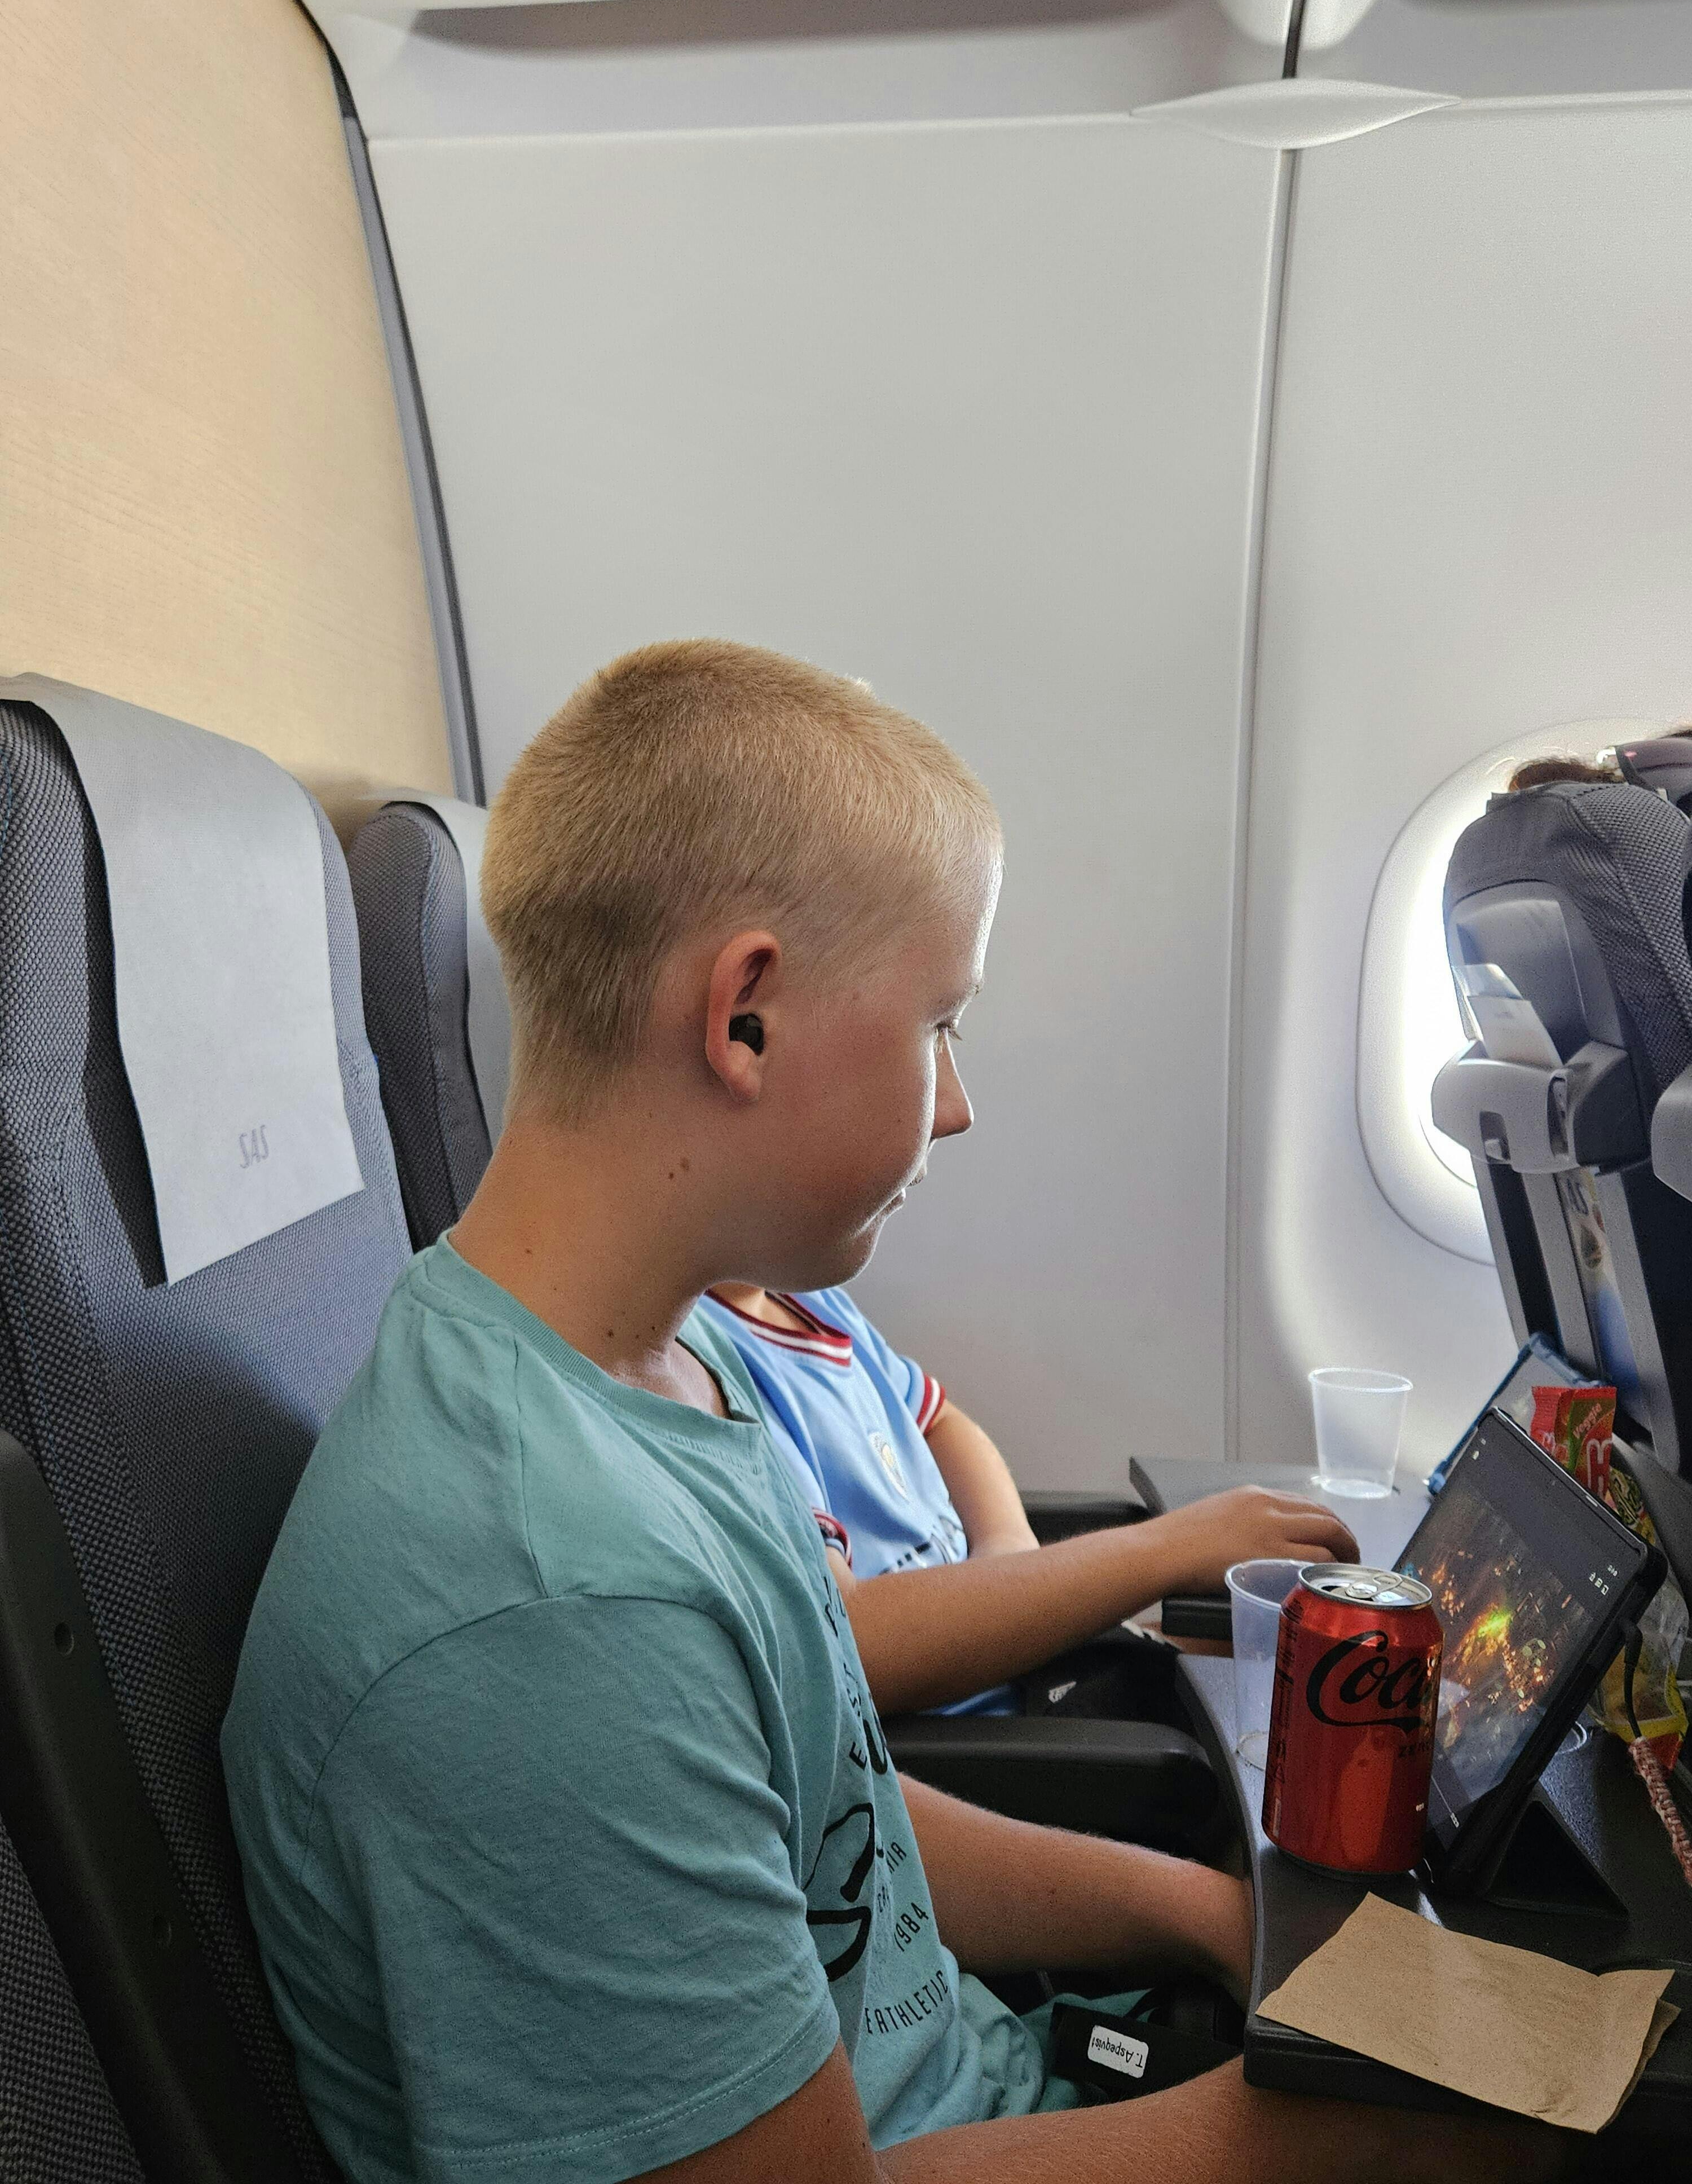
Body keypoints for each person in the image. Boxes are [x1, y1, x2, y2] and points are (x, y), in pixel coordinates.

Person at [223, 640, 1566, 2184]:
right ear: (745, 1017)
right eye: (939, 1021)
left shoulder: (670, 1362)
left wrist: (1209, 1912)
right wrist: (1358, 2127)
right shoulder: (548, 1602)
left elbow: (823, 1824)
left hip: (981, 2084)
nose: (957, 1101)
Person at [698, 1280, 1358, 1715]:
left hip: (1016, 1654)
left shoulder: (812, 1300)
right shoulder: (709, 1370)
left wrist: (1007, 1548)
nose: (953, 1120)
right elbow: (853, 1643)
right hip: (978, 1729)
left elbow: (942, 1422)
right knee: (1291, 1712)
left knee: (1288, 1663)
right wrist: (1170, 1548)